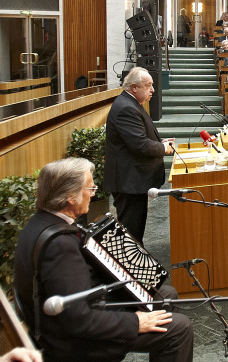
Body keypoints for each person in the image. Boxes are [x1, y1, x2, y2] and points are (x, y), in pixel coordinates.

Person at [14, 158, 193, 362]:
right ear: (70, 196)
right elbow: (79, 319)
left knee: (163, 295)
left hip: (68, 318)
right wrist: (135, 322)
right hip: (69, 342)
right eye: (90, 189)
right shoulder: (60, 246)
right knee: (179, 328)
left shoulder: (38, 223)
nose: (93, 194)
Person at [104, 67, 173, 242]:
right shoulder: (126, 108)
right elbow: (140, 145)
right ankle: (130, 260)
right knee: (131, 234)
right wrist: (163, 148)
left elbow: (138, 138)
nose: (153, 90)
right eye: (148, 85)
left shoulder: (131, 103)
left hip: (133, 180)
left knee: (135, 232)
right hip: (129, 182)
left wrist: (159, 142)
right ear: (134, 87)